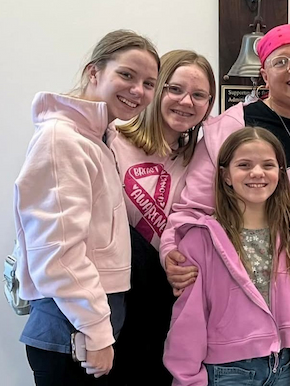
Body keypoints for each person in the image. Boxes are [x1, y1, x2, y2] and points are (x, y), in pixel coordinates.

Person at [160, 23, 290, 385]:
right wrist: (171, 252)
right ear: (264, 73)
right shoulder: (229, 127)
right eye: (281, 61)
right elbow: (190, 210)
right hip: (259, 303)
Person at [13, 30, 160, 385]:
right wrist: (95, 331)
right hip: (72, 330)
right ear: (94, 72)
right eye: (126, 75)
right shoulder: (61, 139)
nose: (138, 90)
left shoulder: (94, 138)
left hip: (85, 322)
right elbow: (57, 251)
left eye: (148, 83)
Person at [163, 126, 290, 385]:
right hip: (224, 374)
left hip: (284, 369)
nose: (257, 173)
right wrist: (187, 379)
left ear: (280, 172)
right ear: (225, 175)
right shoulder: (200, 240)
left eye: (267, 165)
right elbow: (188, 322)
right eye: (244, 164)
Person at [107, 50, 215, 385]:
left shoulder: (200, 159)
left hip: (165, 303)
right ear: (156, 89)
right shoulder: (111, 138)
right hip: (114, 300)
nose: (186, 102)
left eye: (199, 95)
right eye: (175, 89)